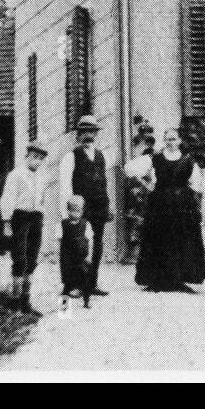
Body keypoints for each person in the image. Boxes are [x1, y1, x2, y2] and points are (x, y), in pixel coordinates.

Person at [136, 128, 205, 292]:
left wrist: (188, 196)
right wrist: (149, 186)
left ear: (179, 141)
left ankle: (179, 280)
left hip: (182, 207)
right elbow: (132, 170)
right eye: (168, 139)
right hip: (160, 205)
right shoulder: (155, 158)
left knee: (180, 241)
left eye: (174, 139)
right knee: (159, 240)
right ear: (164, 140)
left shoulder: (188, 161)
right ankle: (158, 280)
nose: (171, 142)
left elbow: (197, 185)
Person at [58, 116, 112, 297]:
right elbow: (65, 187)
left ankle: (91, 283)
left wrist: (108, 206)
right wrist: (67, 213)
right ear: (79, 134)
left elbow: (103, 182)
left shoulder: (101, 155)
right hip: (79, 210)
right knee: (77, 247)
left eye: (92, 131)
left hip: (99, 208)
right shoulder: (70, 157)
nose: (89, 135)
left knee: (97, 245)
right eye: (85, 132)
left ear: (96, 134)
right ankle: (73, 285)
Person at [0, 142, 51, 316]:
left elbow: (41, 198)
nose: (37, 162)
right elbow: (8, 199)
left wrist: (41, 215)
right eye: (34, 157)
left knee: (32, 257)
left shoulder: (42, 176)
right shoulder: (16, 175)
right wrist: (7, 222)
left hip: (36, 217)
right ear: (27, 155)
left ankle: (26, 300)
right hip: (20, 217)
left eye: (41, 159)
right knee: (19, 257)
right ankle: (15, 300)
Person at [123, 126, 158, 256]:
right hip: (142, 200)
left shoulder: (156, 159)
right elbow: (129, 170)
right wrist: (143, 183)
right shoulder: (144, 160)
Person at [59, 195, 93, 307]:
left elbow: (90, 240)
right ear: (68, 211)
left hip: (81, 258)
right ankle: (64, 308)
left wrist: (89, 256)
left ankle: (86, 302)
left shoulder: (85, 224)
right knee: (67, 284)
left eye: (78, 211)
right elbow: (60, 241)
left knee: (85, 281)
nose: (75, 214)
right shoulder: (63, 224)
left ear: (82, 211)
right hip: (68, 259)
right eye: (72, 211)